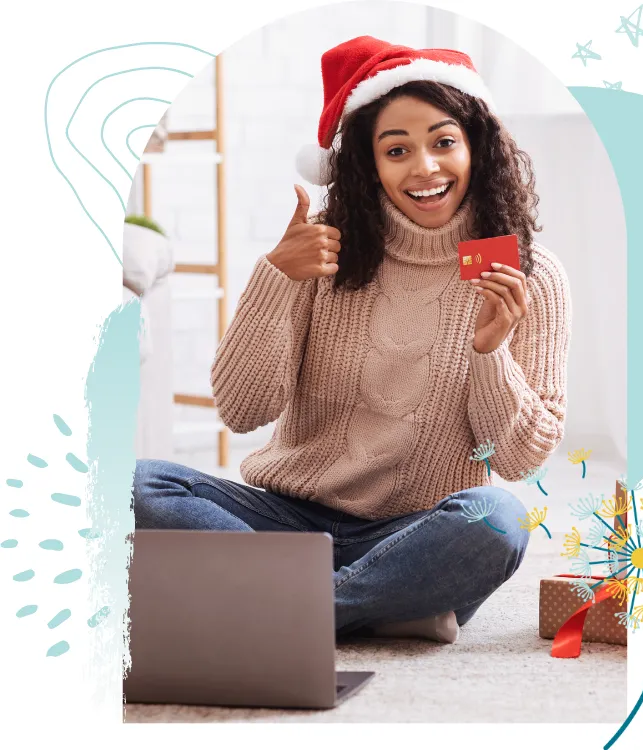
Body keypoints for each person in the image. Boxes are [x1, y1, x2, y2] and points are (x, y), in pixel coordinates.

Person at [132, 36, 572, 644]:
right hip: (291, 521)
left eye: (444, 141)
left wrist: (489, 355)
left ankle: (282, 605)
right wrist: (275, 279)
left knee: (497, 522)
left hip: (417, 533)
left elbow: (521, 460)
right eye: (398, 150)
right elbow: (241, 410)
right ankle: (380, 606)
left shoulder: (526, 273)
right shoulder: (325, 252)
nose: (425, 168)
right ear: (369, 165)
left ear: (478, 146)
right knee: (137, 485)